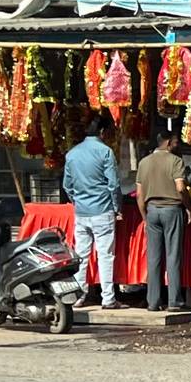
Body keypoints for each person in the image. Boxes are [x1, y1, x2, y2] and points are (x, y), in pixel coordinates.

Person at [63, 115, 128, 310]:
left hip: (82, 212)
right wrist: (118, 208)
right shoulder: (105, 152)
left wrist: (78, 201)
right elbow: (114, 185)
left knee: (81, 255)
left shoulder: (72, 154)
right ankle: (108, 298)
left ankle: (78, 296)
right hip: (102, 211)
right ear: (102, 132)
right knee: (105, 255)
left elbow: (67, 185)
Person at [136, 131, 191, 312]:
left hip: (152, 210)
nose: (178, 145)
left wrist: (144, 216)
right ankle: (174, 301)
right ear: (168, 143)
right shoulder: (175, 161)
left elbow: (139, 194)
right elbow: (181, 187)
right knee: (173, 256)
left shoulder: (143, 162)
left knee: (153, 258)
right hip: (172, 210)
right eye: (176, 142)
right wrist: (188, 206)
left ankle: (153, 301)